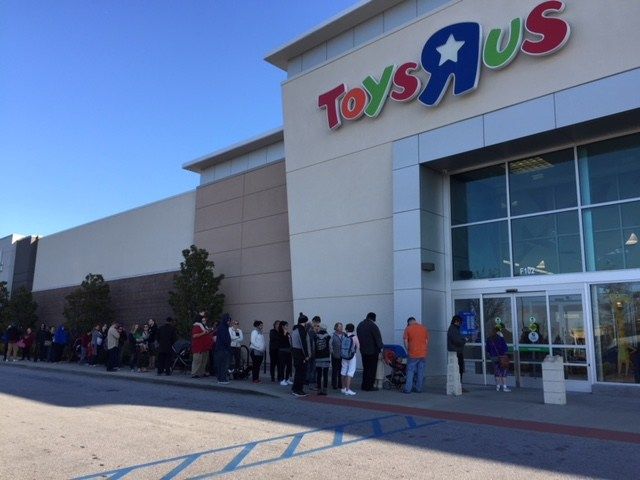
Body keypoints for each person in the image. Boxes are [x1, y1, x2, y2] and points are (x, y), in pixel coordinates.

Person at [356, 312, 384, 391]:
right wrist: (381, 348)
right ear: (373, 318)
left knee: (365, 368)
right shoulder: (373, 326)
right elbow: (378, 338)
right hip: (372, 351)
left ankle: (364, 385)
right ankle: (369, 386)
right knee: (372, 369)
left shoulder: (360, 325)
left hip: (363, 350)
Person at [402, 317, 430, 394]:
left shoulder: (408, 328)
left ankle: (408, 389)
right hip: (423, 354)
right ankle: (418, 388)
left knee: (410, 371)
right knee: (421, 371)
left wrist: (408, 349)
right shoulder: (424, 328)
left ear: (409, 322)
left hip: (413, 353)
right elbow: (426, 341)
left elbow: (405, 341)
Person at [290, 313, 311, 397]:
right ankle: (298, 390)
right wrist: (306, 355)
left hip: (295, 353)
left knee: (298, 372)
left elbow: (291, 343)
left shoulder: (295, 330)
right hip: (300, 354)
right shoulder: (301, 330)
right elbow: (303, 344)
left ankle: (295, 389)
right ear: (304, 322)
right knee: (301, 373)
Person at [486, 326, 510, 392]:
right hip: (502, 357)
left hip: (493, 357)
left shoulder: (489, 339)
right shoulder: (501, 339)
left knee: (497, 371)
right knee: (503, 371)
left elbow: (487, 349)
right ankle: (504, 387)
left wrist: (491, 354)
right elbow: (505, 348)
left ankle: (498, 386)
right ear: (498, 332)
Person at [447, 315, 468, 386]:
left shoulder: (454, 329)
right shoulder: (453, 329)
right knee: (459, 369)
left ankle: (459, 384)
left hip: (457, 351)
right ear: (456, 321)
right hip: (456, 351)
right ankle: (458, 385)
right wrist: (464, 340)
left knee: (460, 369)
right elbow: (456, 340)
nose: (461, 324)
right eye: (460, 322)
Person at [341, 323, 359, 396]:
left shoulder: (343, 336)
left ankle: (343, 388)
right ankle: (348, 390)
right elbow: (358, 346)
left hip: (343, 355)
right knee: (350, 372)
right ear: (353, 329)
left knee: (343, 370)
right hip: (351, 356)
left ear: (346, 329)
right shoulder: (354, 337)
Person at [314, 324, 331, 395]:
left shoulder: (315, 336)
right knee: (325, 374)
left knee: (319, 374)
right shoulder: (329, 337)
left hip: (318, 358)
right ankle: (325, 390)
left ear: (320, 329)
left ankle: (318, 390)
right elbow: (330, 347)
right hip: (326, 357)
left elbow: (313, 347)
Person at [215, 314, 232, 384]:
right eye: (228, 321)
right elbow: (224, 339)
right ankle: (222, 379)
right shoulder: (223, 328)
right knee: (223, 364)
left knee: (222, 364)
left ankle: (221, 378)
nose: (229, 322)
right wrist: (228, 344)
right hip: (223, 349)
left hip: (223, 348)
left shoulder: (224, 327)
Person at [305, 316, 321, 388]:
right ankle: (308, 379)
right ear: (314, 321)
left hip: (314, 350)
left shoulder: (313, 327)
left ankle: (312, 379)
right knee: (309, 366)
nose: (317, 324)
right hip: (310, 350)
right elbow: (309, 339)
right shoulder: (308, 327)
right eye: (317, 322)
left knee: (313, 366)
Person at [277, 321, 293, 386]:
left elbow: (290, 341)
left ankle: (287, 378)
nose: (287, 327)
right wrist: (285, 334)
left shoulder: (288, 333)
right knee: (282, 366)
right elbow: (281, 341)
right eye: (286, 325)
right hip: (282, 351)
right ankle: (282, 379)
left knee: (289, 365)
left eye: (287, 325)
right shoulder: (279, 333)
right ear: (283, 326)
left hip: (288, 351)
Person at [330, 322, 344, 390]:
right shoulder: (332, 335)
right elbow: (330, 344)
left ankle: (340, 384)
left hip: (342, 356)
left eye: (341, 326)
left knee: (341, 370)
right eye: (340, 326)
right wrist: (332, 352)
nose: (341, 328)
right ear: (336, 327)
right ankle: (334, 384)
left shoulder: (344, 335)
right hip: (335, 355)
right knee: (335, 370)